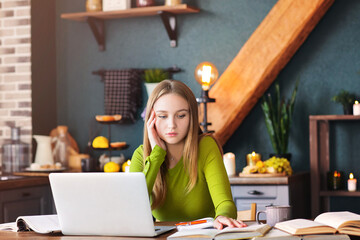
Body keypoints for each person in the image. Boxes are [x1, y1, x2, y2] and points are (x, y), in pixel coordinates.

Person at [130, 79, 246, 229]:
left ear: (192, 117)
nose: (172, 124)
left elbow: (225, 203)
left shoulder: (206, 146)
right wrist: (157, 154)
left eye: (181, 115)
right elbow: (132, 207)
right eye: (163, 116)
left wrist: (223, 216)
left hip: (206, 236)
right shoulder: (141, 155)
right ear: (151, 120)